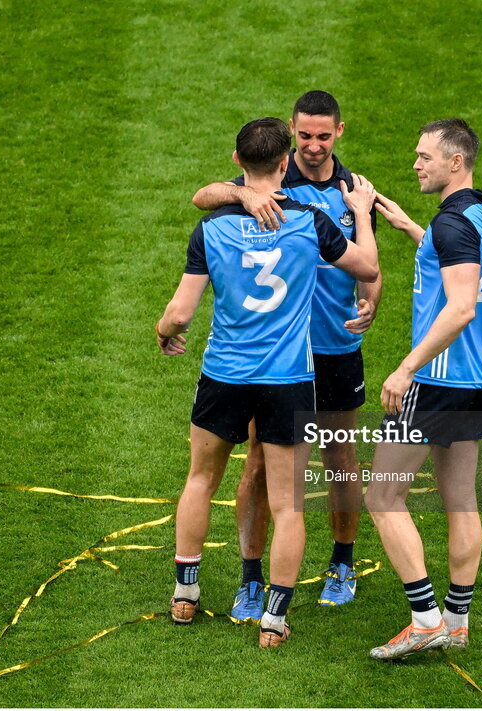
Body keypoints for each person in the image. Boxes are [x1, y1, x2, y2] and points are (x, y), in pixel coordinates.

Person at [156, 117, 378, 647]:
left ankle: (185, 593)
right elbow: (366, 267)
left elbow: (181, 312)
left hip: (225, 374)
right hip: (288, 378)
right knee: (288, 502)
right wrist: (362, 216)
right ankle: (275, 618)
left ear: (237, 163)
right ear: (285, 164)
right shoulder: (310, 223)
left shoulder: (210, 230)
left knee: (198, 482)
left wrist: (165, 331)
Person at [364, 119, 482, 660]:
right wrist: (410, 229)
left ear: (455, 162)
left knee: (383, 495)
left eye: (425, 157)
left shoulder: (452, 226)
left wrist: (405, 369)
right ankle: (457, 621)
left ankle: (424, 619)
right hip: (476, 380)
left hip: (438, 379)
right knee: (460, 498)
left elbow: (461, 306)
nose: (416, 165)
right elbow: (461, 269)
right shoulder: (481, 215)